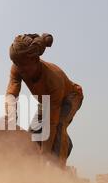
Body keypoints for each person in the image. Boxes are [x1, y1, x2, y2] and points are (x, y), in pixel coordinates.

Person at [5, 33, 84, 168]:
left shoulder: (53, 79)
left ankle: (58, 171)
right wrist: (11, 116)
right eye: (18, 64)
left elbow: (50, 124)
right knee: (33, 135)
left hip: (70, 97)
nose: (21, 69)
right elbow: (12, 93)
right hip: (46, 102)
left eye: (25, 65)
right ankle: (64, 146)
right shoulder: (17, 67)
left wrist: (44, 157)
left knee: (58, 124)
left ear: (36, 60)